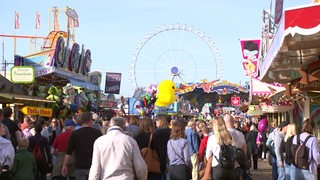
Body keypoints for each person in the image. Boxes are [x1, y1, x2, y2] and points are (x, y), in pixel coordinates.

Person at [61, 112, 102, 180]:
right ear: (90, 121)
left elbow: (68, 152)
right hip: (94, 166)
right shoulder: (97, 133)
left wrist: (64, 165)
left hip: (80, 166)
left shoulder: (75, 134)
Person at [224, 114, 247, 179]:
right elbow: (244, 149)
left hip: (226, 164)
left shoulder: (223, 134)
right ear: (233, 122)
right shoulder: (240, 134)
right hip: (237, 164)